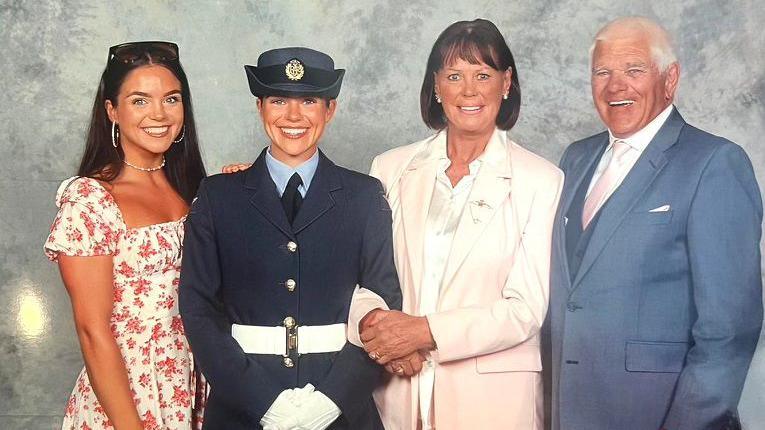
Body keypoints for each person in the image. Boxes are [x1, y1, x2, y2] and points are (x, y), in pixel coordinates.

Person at [547, 17, 763, 430]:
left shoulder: (715, 164)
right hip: (568, 413)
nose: (615, 86)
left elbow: (729, 330)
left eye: (634, 70)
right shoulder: (575, 158)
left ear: (670, 78)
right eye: (602, 72)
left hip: (659, 416)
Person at [348, 19, 564, 430]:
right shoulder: (390, 168)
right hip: (397, 390)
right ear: (435, 86)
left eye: (483, 75)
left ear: (506, 83)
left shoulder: (541, 180)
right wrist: (375, 329)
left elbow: (525, 309)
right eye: (454, 76)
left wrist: (423, 332)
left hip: (492, 402)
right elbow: (359, 278)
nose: (469, 90)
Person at [178, 47, 402, 430]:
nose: (293, 117)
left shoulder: (365, 196)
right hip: (242, 410)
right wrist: (264, 403)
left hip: (341, 410)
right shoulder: (219, 196)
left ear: (329, 110)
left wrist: (332, 401)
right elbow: (199, 310)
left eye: (309, 101)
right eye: (278, 100)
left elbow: (384, 304)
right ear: (260, 108)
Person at [44, 41, 207, 429]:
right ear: (112, 111)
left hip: (191, 386)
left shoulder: (196, 189)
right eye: (139, 101)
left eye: (171, 99)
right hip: (129, 399)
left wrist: (243, 189)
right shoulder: (91, 199)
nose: (159, 114)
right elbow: (92, 330)